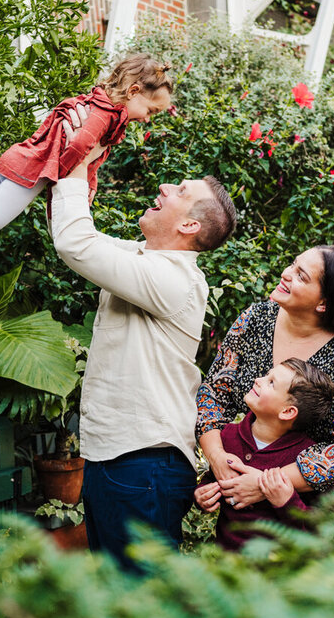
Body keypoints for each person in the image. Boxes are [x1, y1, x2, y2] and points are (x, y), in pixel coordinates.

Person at [51, 148, 237, 572]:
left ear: (189, 225)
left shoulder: (173, 279)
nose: (164, 187)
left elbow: (74, 244)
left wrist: (81, 151)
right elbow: (75, 234)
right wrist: (77, 165)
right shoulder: (146, 260)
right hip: (119, 458)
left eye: (180, 190)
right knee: (121, 598)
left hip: (143, 464)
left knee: (141, 605)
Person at [195, 246, 334, 524]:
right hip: (251, 517)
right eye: (292, 264)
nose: (286, 274)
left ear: (323, 303)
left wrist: (265, 483)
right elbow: (213, 395)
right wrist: (218, 459)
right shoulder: (254, 320)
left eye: (301, 276)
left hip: (328, 518)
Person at [0, 53, 173, 231]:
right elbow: (77, 148)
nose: (148, 119)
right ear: (134, 91)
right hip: (33, 171)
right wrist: (65, 184)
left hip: (20, 157)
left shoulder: (93, 101)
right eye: (151, 111)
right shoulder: (104, 115)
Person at [194, 358, 334, 551]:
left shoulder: (306, 458)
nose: (258, 380)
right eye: (266, 375)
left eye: (271, 382)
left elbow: (317, 530)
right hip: (227, 566)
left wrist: (287, 502)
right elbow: (215, 479)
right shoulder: (228, 436)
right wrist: (204, 495)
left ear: (287, 412)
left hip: (278, 573)